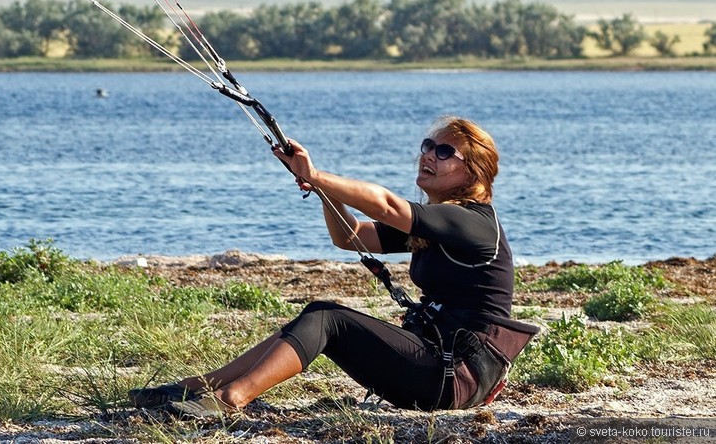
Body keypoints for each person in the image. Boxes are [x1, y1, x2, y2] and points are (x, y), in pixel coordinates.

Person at [128, 116, 536, 418]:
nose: (429, 155)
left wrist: (319, 174)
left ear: (471, 171)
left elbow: (389, 206)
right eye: (429, 145)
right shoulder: (436, 221)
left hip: (455, 377)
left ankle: (230, 400)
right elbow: (351, 237)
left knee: (329, 317)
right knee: (318, 315)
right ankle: (194, 388)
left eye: (444, 152)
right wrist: (321, 188)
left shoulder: (473, 222)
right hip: (436, 366)